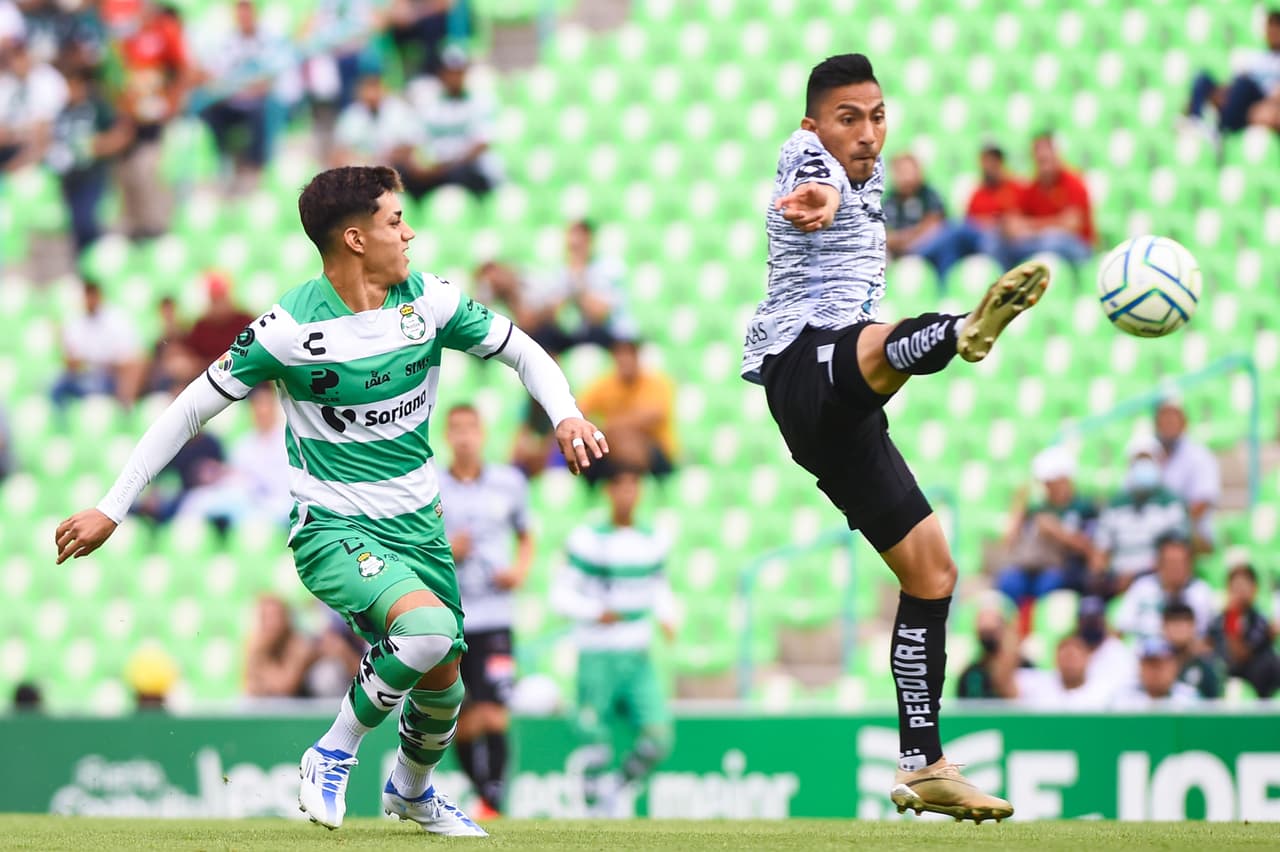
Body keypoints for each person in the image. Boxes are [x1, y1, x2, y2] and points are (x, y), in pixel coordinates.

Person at [54, 165, 607, 837]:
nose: (409, 232)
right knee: (427, 633)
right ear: (355, 238)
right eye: (395, 221)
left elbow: (524, 352)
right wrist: (113, 506)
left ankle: (412, 791)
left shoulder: (427, 301)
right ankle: (333, 752)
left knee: (445, 683)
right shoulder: (289, 329)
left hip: (420, 529)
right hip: (334, 528)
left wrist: (566, 413)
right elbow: (188, 410)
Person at [740, 53, 1050, 822]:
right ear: (814, 124)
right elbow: (813, 181)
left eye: (877, 117)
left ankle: (924, 762)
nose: (867, 133)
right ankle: (960, 330)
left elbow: (850, 182)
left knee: (933, 570)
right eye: (848, 118)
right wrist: (818, 195)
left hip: (841, 413)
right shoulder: (806, 155)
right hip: (800, 364)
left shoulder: (872, 174)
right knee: (877, 342)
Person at [550, 461, 676, 817]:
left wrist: (668, 616)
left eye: (634, 485)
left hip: (637, 653)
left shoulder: (653, 539)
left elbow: (659, 587)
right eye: (620, 485)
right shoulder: (587, 539)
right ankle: (592, 810)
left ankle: (616, 789)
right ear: (608, 491)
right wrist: (595, 612)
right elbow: (560, 595)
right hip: (598, 653)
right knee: (595, 741)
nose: (628, 494)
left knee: (658, 737)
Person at [437, 403, 534, 818]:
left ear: (483, 433)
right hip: (449, 615)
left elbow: (527, 535)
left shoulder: (509, 483)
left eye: (470, 428)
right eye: (456, 429)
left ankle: (492, 804)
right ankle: (486, 796)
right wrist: (447, 551)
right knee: (461, 719)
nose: (464, 437)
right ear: (447, 436)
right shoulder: (429, 485)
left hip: (495, 615)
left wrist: (519, 571)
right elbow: (411, 544)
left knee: (495, 713)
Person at [114, 0, 192, 240]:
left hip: (158, 115)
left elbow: (182, 69)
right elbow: (118, 73)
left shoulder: (165, 31)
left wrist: (172, 103)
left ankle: (157, 225)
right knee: (127, 172)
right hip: (133, 116)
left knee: (149, 168)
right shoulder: (126, 36)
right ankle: (135, 225)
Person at [995, 446, 1096, 618]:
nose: (1047, 487)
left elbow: (1091, 549)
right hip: (1029, 566)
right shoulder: (1037, 509)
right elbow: (1008, 540)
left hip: (1065, 568)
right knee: (1009, 582)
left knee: (1048, 585)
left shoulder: (1084, 508)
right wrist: (1019, 506)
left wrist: (1057, 531)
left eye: (1050, 482)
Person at [196, 0, 285, 187]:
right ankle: (221, 158)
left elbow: (270, 78)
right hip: (234, 99)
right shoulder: (229, 42)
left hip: (259, 100)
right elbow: (217, 75)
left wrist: (247, 89)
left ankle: (256, 164)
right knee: (209, 112)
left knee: (260, 111)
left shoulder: (267, 41)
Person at [46, 66, 132, 255]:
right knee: (73, 225)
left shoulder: (97, 108)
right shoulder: (58, 111)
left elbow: (121, 134)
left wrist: (96, 145)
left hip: (94, 174)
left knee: (91, 221)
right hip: (66, 176)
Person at [1090, 435, 1188, 594]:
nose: (1143, 466)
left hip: (1157, 581)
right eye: (1138, 461)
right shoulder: (1115, 504)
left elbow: (1177, 552)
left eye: (1147, 460)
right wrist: (1103, 577)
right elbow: (1100, 551)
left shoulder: (1170, 503)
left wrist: (1137, 577)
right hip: (1118, 581)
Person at [579, 332, 678, 483]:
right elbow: (579, 412)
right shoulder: (604, 384)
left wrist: (610, 426)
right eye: (620, 353)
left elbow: (654, 415)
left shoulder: (657, 382)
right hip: (614, 446)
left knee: (629, 447)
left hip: (656, 449)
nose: (625, 359)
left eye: (630, 353)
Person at [403, 44, 499, 199]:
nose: (454, 77)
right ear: (441, 74)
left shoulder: (481, 101)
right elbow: (414, 140)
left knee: (460, 175)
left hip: (466, 167)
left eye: (458, 72)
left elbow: (481, 144)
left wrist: (446, 167)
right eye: (450, 72)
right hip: (435, 168)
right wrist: (417, 166)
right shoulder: (427, 103)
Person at [1000, 133, 1094, 268]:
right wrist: (1053, 223)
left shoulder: (1073, 182)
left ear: (1056, 155)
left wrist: (1031, 227)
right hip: (1040, 243)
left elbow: (1071, 226)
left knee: (1052, 240)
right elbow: (1012, 226)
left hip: (1078, 246)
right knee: (1005, 246)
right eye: (1040, 158)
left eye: (1046, 157)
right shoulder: (1032, 187)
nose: (1044, 162)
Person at [1186, 10, 1280, 140]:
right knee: (1202, 78)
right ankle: (1196, 121)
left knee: (1243, 84)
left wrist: (1269, 104)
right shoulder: (1259, 57)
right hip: (1241, 95)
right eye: (1270, 29)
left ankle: (1220, 129)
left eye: (1276, 30)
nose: (1272, 34)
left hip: (1261, 98)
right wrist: (1225, 91)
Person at [51, 279, 145, 408]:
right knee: (56, 385)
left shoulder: (116, 319)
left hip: (108, 375)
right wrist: (62, 342)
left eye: (91, 296)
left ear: (99, 296)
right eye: (86, 296)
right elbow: (72, 361)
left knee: (94, 385)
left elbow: (129, 357)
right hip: (83, 374)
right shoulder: (76, 322)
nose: (89, 301)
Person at [883, 152, 977, 280]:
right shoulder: (889, 201)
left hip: (926, 245)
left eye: (909, 171)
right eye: (902, 171)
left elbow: (935, 225)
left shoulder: (929, 195)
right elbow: (885, 236)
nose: (906, 177)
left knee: (953, 235)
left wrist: (906, 237)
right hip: (901, 252)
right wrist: (909, 237)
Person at [1112, 533, 1216, 644]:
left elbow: (1209, 636)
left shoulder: (1201, 592)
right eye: (1171, 562)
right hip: (1144, 651)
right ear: (1159, 564)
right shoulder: (1142, 588)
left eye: (1181, 563)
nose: (1176, 568)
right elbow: (1119, 630)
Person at [1154, 396, 1220, 552]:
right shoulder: (1151, 454)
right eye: (1164, 419)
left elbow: (1202, 503)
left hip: (1191, 533)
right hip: (1157, 534)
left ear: (1184, 423)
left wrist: (1170, 524)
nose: (1168, 424)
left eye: (1173, 419)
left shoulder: (1200, 456)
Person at [1209, 561, 1280, 699]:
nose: (1240, 591)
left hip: (1252, 677)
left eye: (1244, 585)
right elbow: (1209, 643)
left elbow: (1239, 655)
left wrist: (1233, 617)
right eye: (1236, 586)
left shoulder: (1259, 620)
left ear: (1254, 589)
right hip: (1222, 675)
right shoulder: (1218, 620)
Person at [0, 37, 68, 172]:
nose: (16, 61)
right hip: (12, 145)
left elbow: (44, 131)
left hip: (48, 150)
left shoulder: (48, 79)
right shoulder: (5, 81)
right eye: (11, 56)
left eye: (20, 55)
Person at [330, 70, 420, 170]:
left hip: (395, 167)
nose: (371, 93)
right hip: (362, 169)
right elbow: (339, 153)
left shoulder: (400, 110)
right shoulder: (350, 115)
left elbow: (411, 146)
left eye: (375, 86)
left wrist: (387, 157)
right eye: (367, 87)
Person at [1011, 634, 1108, 710]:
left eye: (1074, 658)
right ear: (1055, 659)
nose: (1070, 663)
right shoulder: (1036, 683)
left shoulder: (1104, 692)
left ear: (1087, 659)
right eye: (1066, 657)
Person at [244, 594, 315, 698]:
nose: (271, 622)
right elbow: (250, 687)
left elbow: (286, 687)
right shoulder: (254, 642)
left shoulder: (299, 644)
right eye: (266, 617)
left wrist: (261, 658)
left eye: (275, 616)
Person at [183, 271, 255, 364]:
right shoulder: (201, 328)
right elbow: (191, 356)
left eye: (221, 298)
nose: (219, 305)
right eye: (215, 300)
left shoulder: (245, 322)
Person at [954, 601, 1022, 699]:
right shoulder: (972, 675)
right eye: (984, 631)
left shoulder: (1026, 668)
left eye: (993, 630)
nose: (988, 637)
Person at [1111, 638, 1200, 709]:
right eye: (1149, 665)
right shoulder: (1122, 699)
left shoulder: (1189, 698)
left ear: (1174, 666)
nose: (1154, 672)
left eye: (1160, 665)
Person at [1162, 601, 1223, 700]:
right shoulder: (1155, 663)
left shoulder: (1208, 663)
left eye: (1183, 623)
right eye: (1173, 623)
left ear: (1193, 626)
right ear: (1164, 627)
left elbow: (1215, 701)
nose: (1178, 629)